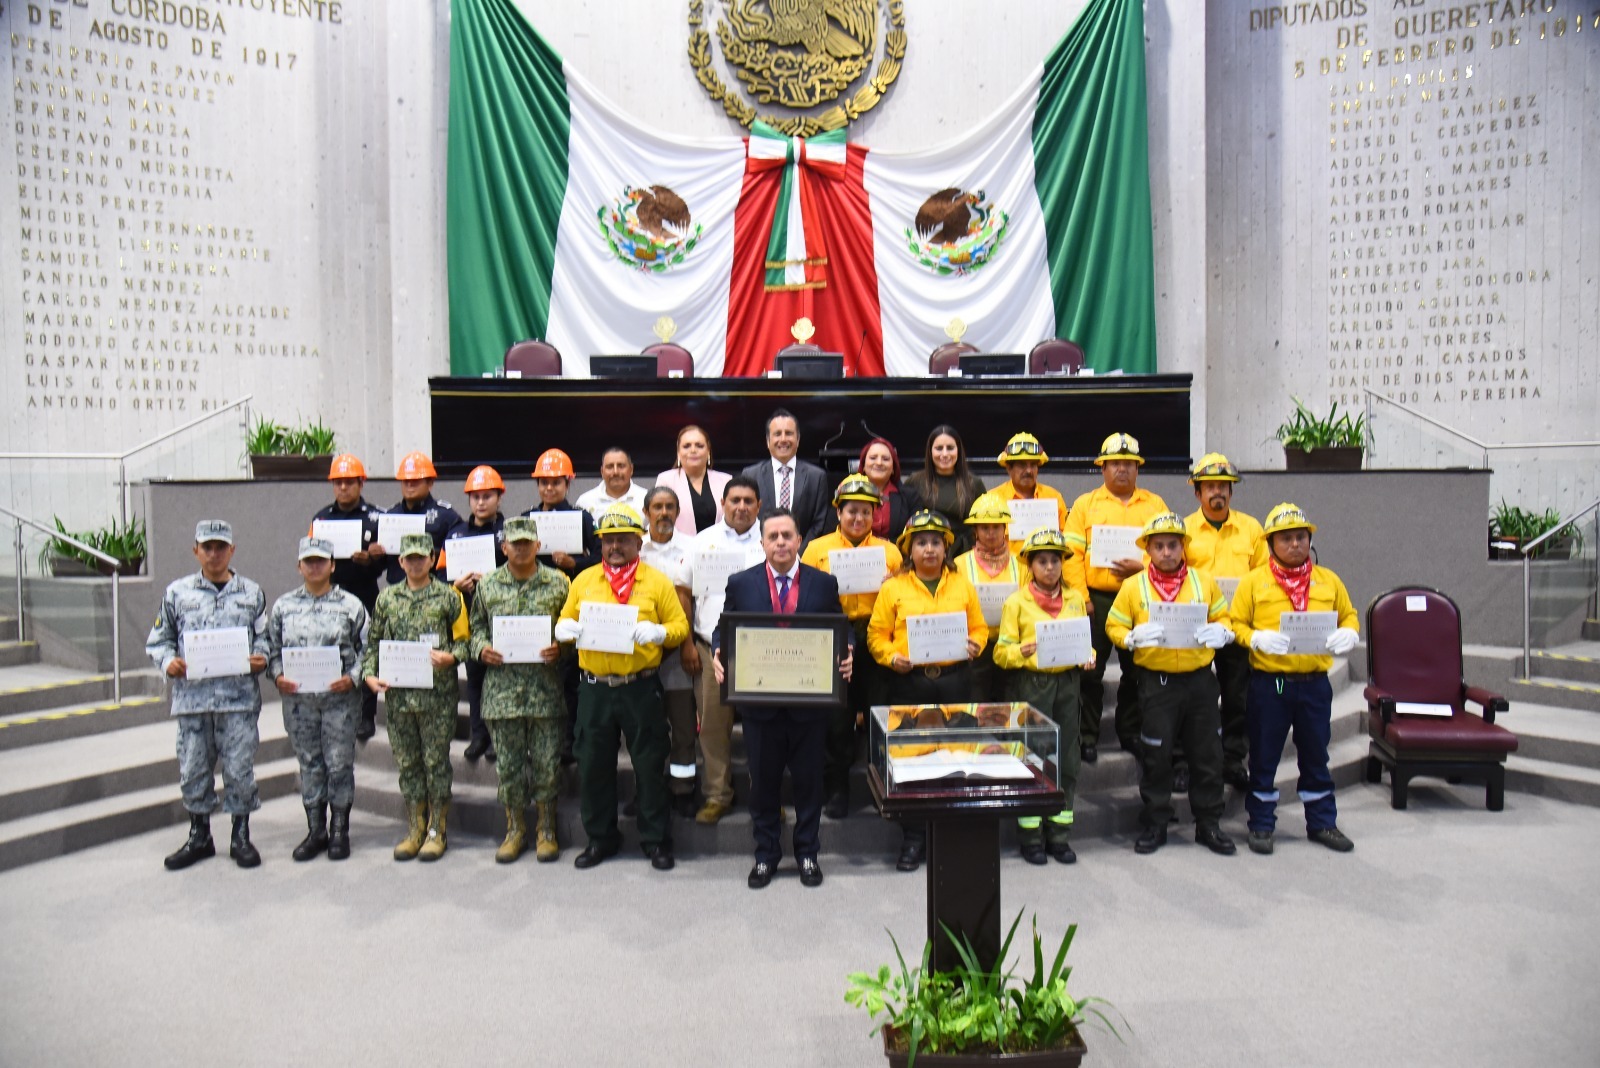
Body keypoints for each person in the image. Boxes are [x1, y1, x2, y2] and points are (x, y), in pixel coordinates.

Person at [714, 508, 852, 889]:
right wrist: (718, 651)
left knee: (809, 784)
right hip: (760, 706)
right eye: (772, 536)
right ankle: (765, 855)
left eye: (787, 536)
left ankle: (808, 853)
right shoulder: (741, 583)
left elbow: (842, 627)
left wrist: (849, 650)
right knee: (763, 786)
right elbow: (724, 627)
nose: (780, 543)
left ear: (799, 541)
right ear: (761, 542)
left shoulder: (823, 583)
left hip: (810, 704)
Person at [554, 504, 691, 871]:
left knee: (649, 765)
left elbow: (679, 626)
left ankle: (655, 840)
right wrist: (564, 629)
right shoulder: (584, 580)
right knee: (593, 766)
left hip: (640, 688)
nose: (614, 547)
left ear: (638, 542)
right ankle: (600, 839)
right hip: (595, 689)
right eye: (608, 540)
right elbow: (566, 618)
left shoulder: (656, 582)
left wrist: (660, 632)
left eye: (623, 540)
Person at [1103, 513, 1236, 857]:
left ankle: (1208, 823)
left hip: (1200, 682)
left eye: (1172, 545)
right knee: (1156, 755)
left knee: (1207, 754)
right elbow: (1113, 625)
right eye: (1159, 546)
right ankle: (1156, 822)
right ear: (1147, 549)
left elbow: (1223, 617)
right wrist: (1129, 637)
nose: (1166, 552)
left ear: (1183, 547)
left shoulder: (1203, 582)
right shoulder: (1134, 587)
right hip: (1157, 684)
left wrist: (1223, 631)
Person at [1230, 503, 1360, 856]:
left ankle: (1322, 822)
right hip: (1272, 684)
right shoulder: (1254, 582)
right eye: (1286, 538)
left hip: (1315, 683)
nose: (1295, 544)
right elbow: (1235, 623)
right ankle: (1261, 824)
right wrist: (1254, 638)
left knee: (1316, 755)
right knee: (1264, 756)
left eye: (1301, 537)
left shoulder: (1328, 580)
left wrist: (1350, 633)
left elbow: (1349, 615)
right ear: (1271, 543)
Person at [867, 509, 987, 872]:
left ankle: (949, 835)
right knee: (912, 762)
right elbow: (876, 635)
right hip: (910, 683)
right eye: (921, 543)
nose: (929, 549)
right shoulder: (893, 588)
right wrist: (891, 657)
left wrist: (976, 645)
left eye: (936, 542)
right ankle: (914, 838)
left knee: (955, 758)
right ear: (909, 549)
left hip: (954, 681)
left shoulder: (963, 585)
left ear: (946, 548)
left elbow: (979, 628)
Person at [146, 520, 270, 871]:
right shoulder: (177, 593)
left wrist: (261, 657)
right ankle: (199, 836)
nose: (214, 554)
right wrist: (168, 662)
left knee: (240, 770)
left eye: (221, 547)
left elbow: (265, 637)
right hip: (193, 701)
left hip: (238, 702)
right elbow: (159, 641)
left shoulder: (251, 593)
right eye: (207, 547)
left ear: (232, 550)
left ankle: (240, 836)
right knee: (193, 770)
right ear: (196, 550)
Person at [468, 516, 572, 863]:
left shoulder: (558, 583)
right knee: (509, 768)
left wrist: (562, 647)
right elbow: (475, 628)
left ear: (538, 546)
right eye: (516, 543)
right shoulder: (488, 585)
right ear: (504, 547)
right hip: (503, 694)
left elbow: (572, 627)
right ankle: (514, 830)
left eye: (528, 542)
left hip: (545, 692)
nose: (522, 548)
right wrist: (482, 648)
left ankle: (546, 829)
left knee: (547, 765)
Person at [799, 475, 903, 819]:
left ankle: (880, 785)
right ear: (838, 512)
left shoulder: (890, 552)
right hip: (834, 635)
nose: (858, 518)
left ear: (875, 514)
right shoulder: (817, 549)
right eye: (851, 511)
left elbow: (904, 597)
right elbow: (803, 595)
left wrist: (893, 585)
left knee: (879, 713)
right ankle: (837, 788)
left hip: (876, 634)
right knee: (837, 718)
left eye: (865, 512)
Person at [361, 533, 468, 862]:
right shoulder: (387, 599)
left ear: (432, 559)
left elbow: (465, 641)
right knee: (407, 764)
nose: (416, 563)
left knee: (435, 763)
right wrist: (369, 674)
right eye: (410, 558)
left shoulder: (449, 597)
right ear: (401, 561)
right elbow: (374, 643)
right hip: (399, 698)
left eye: (422, 557)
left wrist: (452, 657)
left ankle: (437, 829)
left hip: (437, 698)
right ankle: (415, 827)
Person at [1063, 432, 1169, 766]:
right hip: (1095, 600)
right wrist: (1082, 599)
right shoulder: (1085, 505)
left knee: (1137, 670)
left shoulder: (1155, 505)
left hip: (1140, 597)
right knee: (1089, 671)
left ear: (1137, 468)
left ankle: (1130, 731)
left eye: (1128, 463)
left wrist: (1144, 568)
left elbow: (1171, 549)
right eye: (1114, 463)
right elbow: (1070, 555)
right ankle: (1087, 736)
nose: (1122, 469)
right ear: (1103, 468)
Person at [266, 536, 371, 862]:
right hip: (299, 703)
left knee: (339, 764)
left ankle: (339, 829)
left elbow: (369, 649)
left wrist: (353, 677)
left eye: (320, 561)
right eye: (308, 561)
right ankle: (316, 830)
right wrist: (277, 675)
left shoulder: (351, 605)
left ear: (332, 565)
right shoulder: (283, 607)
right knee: (310, 763)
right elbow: (271, 649)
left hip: (340, 700)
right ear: (299, 566)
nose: (314, 567)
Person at [991, 527, 1092, 864]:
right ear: (1030, 566)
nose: (1050, 567)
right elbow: (1001, 654)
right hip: (1033, 684)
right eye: (1042, 561)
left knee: (1067, 758)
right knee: (1034, 757)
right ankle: (1031, 836)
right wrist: (1021, 650)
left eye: (1055, 561)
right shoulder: (1016, 603)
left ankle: (1059, 834)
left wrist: (1089, 655)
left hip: (1068, 684)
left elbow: (1082, 640)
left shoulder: (1075, 599)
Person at [675, 477, 768, 824]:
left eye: (748, 501)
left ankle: (766, 796)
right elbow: (683, 591)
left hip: (762, 650)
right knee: (713, 726)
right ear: (723, 504)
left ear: (759, 506)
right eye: (735, 500)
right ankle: (717, 795)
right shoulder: (703, 541)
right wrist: (687, 642)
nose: (741, 507)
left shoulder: (772, 537)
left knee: (764, 729)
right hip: (709, 647)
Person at [1183, 453, 1266, 789]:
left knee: (1237, 698)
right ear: (1198, 492)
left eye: (1223, 486)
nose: (1217, 491)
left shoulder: (1252, 529)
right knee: (1190, 698)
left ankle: (1233, 759)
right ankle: (1184, 761)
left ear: (1231, 491)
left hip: (1235, 627)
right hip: (1196, 627)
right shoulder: (1184, 530)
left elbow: (1263, 577)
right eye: (1210, 486)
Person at [524, 447, 601, 767]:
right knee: (535, 673)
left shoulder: (582, 518)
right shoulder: (528, 518)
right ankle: (534, 742)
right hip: (532, 605)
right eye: (543, 482)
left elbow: (601, 557)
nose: (549, 488)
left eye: (556, 482)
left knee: (569, 677)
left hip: (570, 603)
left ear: (568, 483)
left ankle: (569, 742)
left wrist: (575, 564)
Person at [310, 453, 384, 742]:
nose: (343, 487)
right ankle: (332, 708)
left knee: (367, 651)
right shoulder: (321, 519)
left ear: (361, 483)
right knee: (332, 647)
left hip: (364, 591)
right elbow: (311, 555)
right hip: (331, 594)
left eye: (349, 482)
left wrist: (372, 560)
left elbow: (389, 562)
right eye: (338, 482)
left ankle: (366, 715)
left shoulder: (375, 517)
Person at [439, 464, 510, 763]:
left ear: (499, 497)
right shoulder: (455, 534)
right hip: (469, 619)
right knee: (475, 678)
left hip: (502, 618)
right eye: (475, 497)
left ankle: (497, 737)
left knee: (500, 680)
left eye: (487, 496)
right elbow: (440, 576)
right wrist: (455, 584)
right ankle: (479, 735)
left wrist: (492, 581)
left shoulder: (509, 532)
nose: (481, 502)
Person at [638, 486, 700, 816]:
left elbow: (693, 599)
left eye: (670, 507)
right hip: (641, 651)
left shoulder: (693, 547)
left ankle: (683, 788)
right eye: (657, 507)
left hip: (677, 650)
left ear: (677, 512)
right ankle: (647, 792)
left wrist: (688, 644)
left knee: (683, 726)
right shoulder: (634, 547)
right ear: (646, 512)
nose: (664, 513)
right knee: (646, 728)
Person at [954, 493, 1024, 704]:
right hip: (975, 650)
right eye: (985, 528)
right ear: (975, 530)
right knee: (977, 707)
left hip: (1011, 646)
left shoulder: (1022, 565)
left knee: (1010, 707)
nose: (991, 533)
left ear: (1005, 528)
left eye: (996, 527)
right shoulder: (959, 565)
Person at [740, 408, 832, 544]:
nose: (783, 439)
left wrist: (798, 552)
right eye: (777, 434)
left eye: (788, 433)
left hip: (803, 553)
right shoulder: (751, 475)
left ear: (798, 439)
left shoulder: (816, 477)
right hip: (759, 551)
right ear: (768, 441)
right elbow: (746, 519)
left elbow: (819, 523)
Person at [377, 451, 462, 587]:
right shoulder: (390, 516)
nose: (410, 485)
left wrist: (432, 553)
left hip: (435, 591)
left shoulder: (446, 516)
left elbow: (458, 557)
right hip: (396, 592)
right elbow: (379, 566)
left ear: (430, 483)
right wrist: (374, 555)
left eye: (416, 481)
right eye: (406, 481)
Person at [902, 425, 986, 556]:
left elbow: (984, 524)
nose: (945, 454)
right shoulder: (914, 481)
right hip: (927, 553)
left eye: (950, 448)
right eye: (939, 448)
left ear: (959, 450)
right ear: (930, 451)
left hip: (965, 553)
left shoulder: (974, 483)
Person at [989, 432, 1068, 556]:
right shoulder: (992, 499)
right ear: (1009, 468)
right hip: (1007, 567)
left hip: (1045, 566)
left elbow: (1065, 540)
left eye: (1033, 465)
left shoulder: (1053, 497)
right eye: (1022, 465)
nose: (1029, 470)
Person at [654, 424, 731, 535]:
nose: (693, 450)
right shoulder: (666, 480)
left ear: (708, 451)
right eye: (687, 446)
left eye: (699, 446)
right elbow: (660, 519)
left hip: (720, 544)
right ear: (678, 452)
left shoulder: (726, 480)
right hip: (678, 544)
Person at [856, 436, 911, 544]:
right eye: (873, 458)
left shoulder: (910, 497)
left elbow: (915, 536)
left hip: (896, 552)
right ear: (863, 466)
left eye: (885, 459)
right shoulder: (847, 492)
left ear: (893, 468)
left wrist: (888, 545)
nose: (879, 463)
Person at [575, 446, 649, 521]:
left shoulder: (646, 499)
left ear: (631, 469)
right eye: (609, 467)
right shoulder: (585, 502)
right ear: (602, 471)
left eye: (621, 466)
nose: (615, 472)